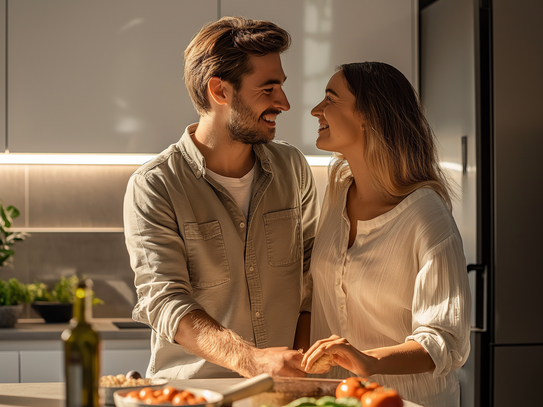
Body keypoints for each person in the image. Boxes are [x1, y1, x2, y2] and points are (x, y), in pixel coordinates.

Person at [123, 16, 319, 380]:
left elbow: (311, 280)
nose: (285, 103)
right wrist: (254, 361)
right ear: (220, 91)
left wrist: (300, 369)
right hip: (192, 395)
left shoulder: (293, 168)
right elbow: (165, 301)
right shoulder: (156, 185)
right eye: (268, 88)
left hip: (279, 396)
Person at [300, 62, 471, 407]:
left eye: (330, 99)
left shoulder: (426, 214)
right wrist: (299, 372)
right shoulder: (337, 193)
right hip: (338, 398)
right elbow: (314, 298)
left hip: (409, 400)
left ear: (368, 115)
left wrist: (369, 361)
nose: (316, 110)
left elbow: (444, 339)